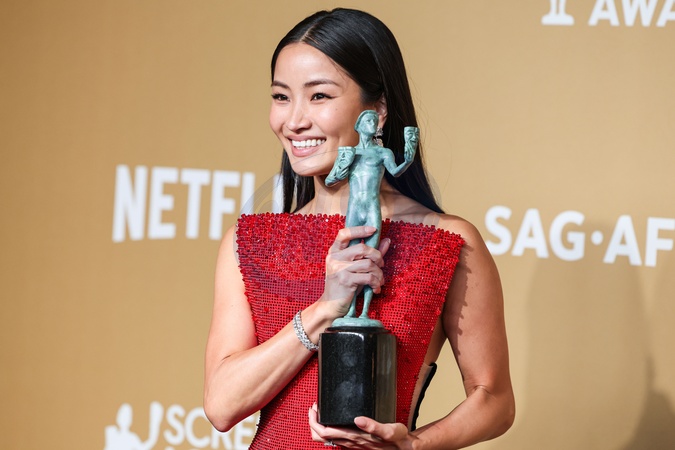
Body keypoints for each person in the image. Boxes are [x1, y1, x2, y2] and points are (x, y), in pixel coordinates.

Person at [204, 8, 515, 449]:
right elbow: (221, 405)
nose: (293, 121)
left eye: (319, 96)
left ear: (378, 110)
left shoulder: (446, 242)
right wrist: (326, 308)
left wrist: (411, 445)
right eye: (281, 97)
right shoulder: (250, 243)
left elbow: (495, 399)